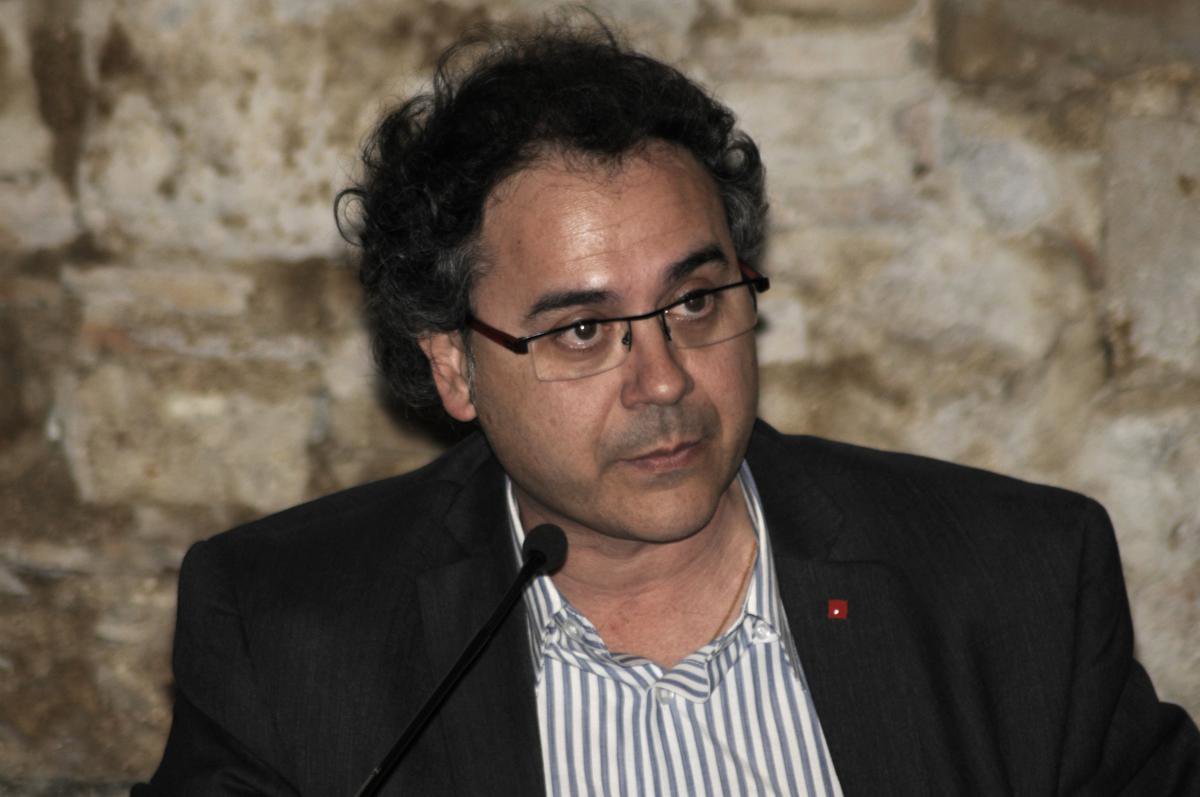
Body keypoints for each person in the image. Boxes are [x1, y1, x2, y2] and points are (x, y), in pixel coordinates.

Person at [137, 20, 1199, 796]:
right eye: (581, 330)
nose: (663, 381)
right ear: (455, 367)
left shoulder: (1014, 586)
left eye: (694, 302)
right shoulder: (291, 633)